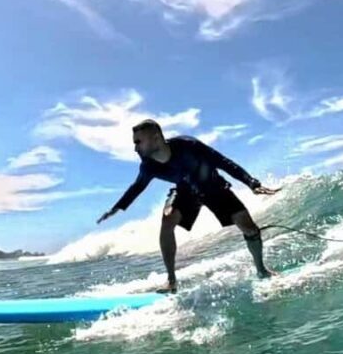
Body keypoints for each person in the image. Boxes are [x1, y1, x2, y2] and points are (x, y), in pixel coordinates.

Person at [97, 119, 279, 294]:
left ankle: (261, 270)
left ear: (156, 138)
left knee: (249, 228)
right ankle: (171, 281)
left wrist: (252, 183)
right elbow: (137, 186)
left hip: (212, 186)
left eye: (138, 142)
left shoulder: (188, 145)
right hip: (185, 191)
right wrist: (117, 208)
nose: (135, 148)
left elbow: (222, 161)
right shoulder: (148, 166)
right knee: (167, 219)